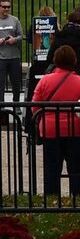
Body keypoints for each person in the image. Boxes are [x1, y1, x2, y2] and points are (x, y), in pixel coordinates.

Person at [31, 44, 80, 198]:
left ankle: (51, 199)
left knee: (52, 167)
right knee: (76, 167)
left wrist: (41, 121)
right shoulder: (79, 81)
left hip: (50, 129)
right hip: (75, 128)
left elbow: (34, 105)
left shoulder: (45, 80)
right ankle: (77, 197)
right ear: (74, 60)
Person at [0, 0, 25, 107]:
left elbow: (21, 36)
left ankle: (16, 104)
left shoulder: (15, 20)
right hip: (0, 56)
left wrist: (14, 39)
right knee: (0, 83)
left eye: (8, 7)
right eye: (4, 7)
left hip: (14, 56)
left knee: (16, 82)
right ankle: (0, 105)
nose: (6, 9)